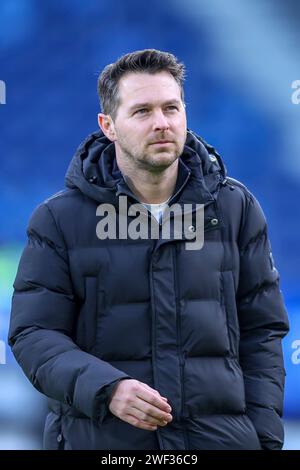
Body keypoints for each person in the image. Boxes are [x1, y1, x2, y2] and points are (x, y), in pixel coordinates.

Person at [8, 49, 289, 450]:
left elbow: (262, 332)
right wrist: (107, 388)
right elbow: (34, 333)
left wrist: (263, 439)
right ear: (109, 126)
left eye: (171, 108)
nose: (162, 123)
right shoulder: (58, 220)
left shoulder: (236, 208)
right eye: (142, 111)